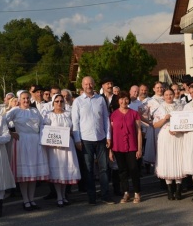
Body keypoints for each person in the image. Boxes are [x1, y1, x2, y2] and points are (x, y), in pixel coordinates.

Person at [71, 76, 113, 205]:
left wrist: (108, 136)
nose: (89, 86)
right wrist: (77, 140)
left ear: (94, 85)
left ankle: (105, 195)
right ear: (82, 86)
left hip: (100, 138)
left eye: (91, 84)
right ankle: (92, 197)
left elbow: (106, 119)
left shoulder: (100, 100)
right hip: (85, 140)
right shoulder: (77, 101)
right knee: (88, 170)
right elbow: (75, 122)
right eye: (86, 84)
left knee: (104, 168)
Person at [5, 91, 50, 210]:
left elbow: (42, 124)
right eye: (23, 98)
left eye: (27, 98)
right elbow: (3, 122)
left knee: (33, 173)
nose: (26, 100)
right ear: (19, 99)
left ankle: (32, 199)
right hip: (22, 141)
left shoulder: (35, 111)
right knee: (24, 174)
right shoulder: (15, 111)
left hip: (35, 141)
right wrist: (10, 133)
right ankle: (25, 200)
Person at [42, 93, 80, 207]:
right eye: (57, 101)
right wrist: (52, 143)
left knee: (66, 171)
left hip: (68, 145)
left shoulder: (68, 114)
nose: (59, 103)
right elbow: (44, 130)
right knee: (58, 171)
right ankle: (59, 196)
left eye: (61, 101)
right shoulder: (48, 116)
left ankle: (63, 195)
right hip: (55, 148)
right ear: (53, 103)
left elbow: (74, 129)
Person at [109, 91, 143, 203]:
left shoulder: (134, 113)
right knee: (122, 171)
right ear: (118, 101)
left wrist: (139, 148)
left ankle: (137, 193)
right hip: (118, 146)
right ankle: (126, 193)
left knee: (133, 169)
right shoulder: (113, 115)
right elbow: (111, 132)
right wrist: (110, 150)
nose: (124, 101)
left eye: (126, 99)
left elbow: (138, 131)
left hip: (132, 146)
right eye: (121, 99)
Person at [153, 88, 185, 200]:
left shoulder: (180, 106)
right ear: (163, 96)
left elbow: (185, 122)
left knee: (178, 160)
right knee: (167, 161)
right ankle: (170, 191)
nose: (169, 96)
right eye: (166, 95)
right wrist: (164, 119)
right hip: (165, 136)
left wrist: (178, 130)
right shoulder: (160, 108)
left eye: (170, 94)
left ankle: (178, 190)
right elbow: (155, 125)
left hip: (178, 136)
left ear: (174, 94)